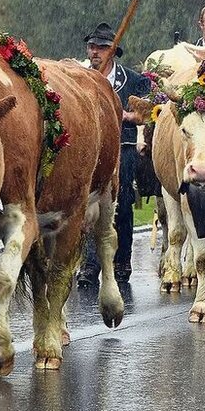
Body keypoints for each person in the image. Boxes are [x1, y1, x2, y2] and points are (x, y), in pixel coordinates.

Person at [78, 22, 151, 286]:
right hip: (90, 148)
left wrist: (123, 115)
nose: (94, 52)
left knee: (124, 201)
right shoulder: (79, 78)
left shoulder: (132, 80)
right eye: (91, 47)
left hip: (123, 146)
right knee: (89, 203)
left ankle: (122, 261)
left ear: (112, 51)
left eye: (101, 48)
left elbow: (146, 114)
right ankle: (90, 264)